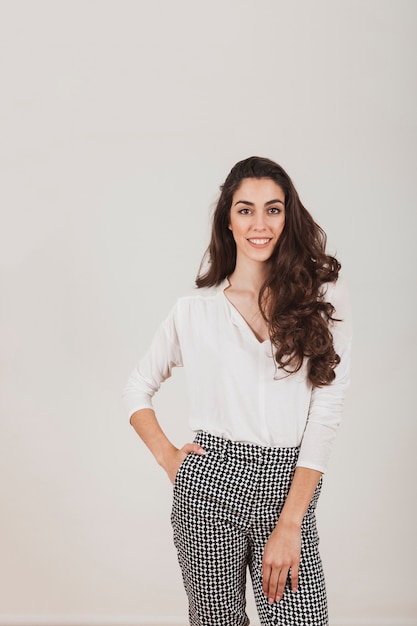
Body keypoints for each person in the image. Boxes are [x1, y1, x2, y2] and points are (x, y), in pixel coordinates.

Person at [123, 156, 352, 626]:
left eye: (273, 209)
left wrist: (291, 522)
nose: (259, 223)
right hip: (208, 485)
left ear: (288, 218)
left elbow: (327, 407)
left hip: (287, 484)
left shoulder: (322, 298)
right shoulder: (195, 311)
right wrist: (170, 459)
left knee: (302, 618)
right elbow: (136, 388)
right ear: (228, 220)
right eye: (245, 210)